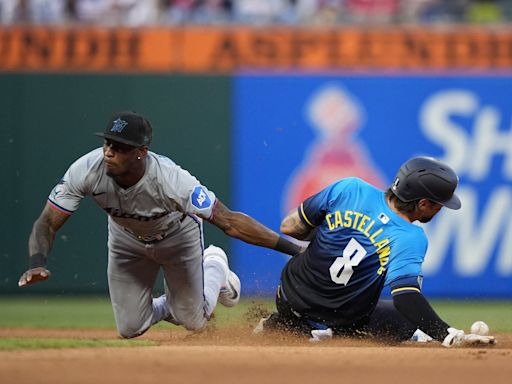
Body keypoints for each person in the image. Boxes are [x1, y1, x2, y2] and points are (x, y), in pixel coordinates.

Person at [18, 111, 301, 338]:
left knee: (193, 321)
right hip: (126, 240)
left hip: (177, 237)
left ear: (141, 151)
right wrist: (36, 261)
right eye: (107, 143)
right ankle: (176, 304)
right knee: (130, 328)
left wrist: (295, 251)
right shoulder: (86, 170)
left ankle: (214, 266)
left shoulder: (172, 180)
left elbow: (229, 222)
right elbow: (46, 222)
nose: (108, 152)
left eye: (119, 147)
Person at [255, 156, 496, 347]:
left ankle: (284, 322)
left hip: (286, 295)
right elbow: (406, 296)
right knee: (408, 321)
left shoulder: (350, 188)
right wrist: (448, 335)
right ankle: (321, 332)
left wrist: (332, 238)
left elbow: (289, 226)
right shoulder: (409, 237)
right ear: (423, 204)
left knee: (401, 319)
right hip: (335, 317)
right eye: (439, 204)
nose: (440, 209)